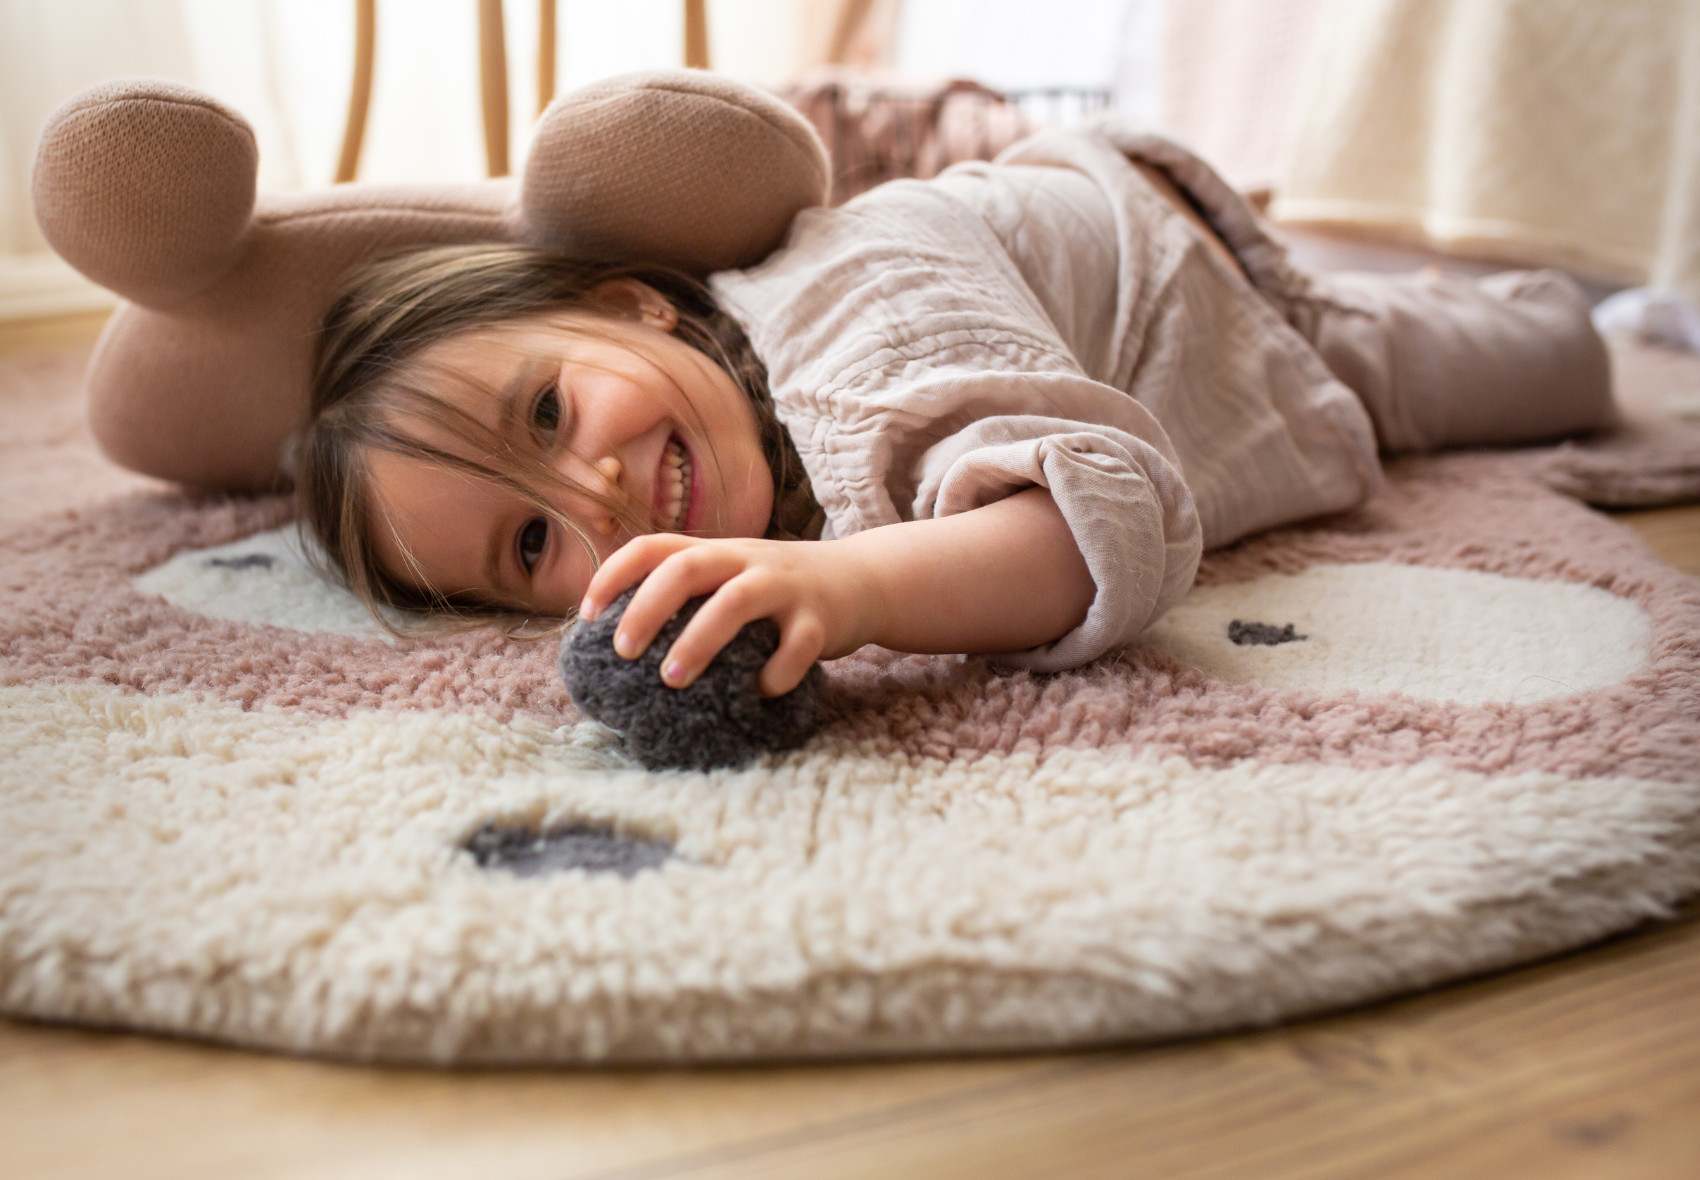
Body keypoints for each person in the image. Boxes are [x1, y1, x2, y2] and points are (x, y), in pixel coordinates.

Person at [294, 122, 1614, 698]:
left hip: (1195, 288)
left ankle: (1586, 310)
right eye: (531, 544)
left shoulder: (858, 335)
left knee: (1537, 372)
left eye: (545, 413)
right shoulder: (741, 448)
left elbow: (1100, 519)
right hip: (1050, 282)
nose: (592, 492)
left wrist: (857, 589)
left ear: (639, 306)